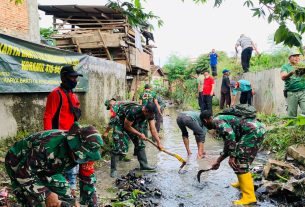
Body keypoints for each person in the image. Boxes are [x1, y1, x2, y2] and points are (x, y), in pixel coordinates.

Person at [5, 122, 104, 207]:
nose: (82, 159)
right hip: (18, 163)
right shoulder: (46, 146)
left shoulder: (88, 154)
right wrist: (47, 194)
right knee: (37, 202)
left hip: (48, 168)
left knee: (67, 196)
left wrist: (91, 204)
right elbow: (23, 175)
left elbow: (88, 179)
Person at [200, 109, 266, 205]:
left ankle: (249, 197)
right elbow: (228, 145)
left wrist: (232, 156)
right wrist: (218, 161)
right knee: (242, 161)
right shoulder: (220, 120)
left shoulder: (217, 122)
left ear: (205, 121)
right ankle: (242, 183)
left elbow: (231, 137)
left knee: (240, 162)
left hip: (252, 132)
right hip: (257, 130)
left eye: (203, 124)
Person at [43, 65, 85, 198]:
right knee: (59, 166)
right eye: (72, 77)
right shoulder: (56, 94)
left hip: (71, 136)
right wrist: (48, 137)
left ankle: (71, 191)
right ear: (64, 78)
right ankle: (60, 193)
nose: (75, 80)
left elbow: (74, 115)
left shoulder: (72, 94)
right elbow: (48, 116)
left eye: (76, 77)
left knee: (73, 164)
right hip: (58, 137)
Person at [109, 102, 163, 177]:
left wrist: (159, 143)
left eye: (152, 115)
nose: (151, 116)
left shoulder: (150, 114)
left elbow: (153, 129)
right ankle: (113, 169)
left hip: (132, 124)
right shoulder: (133, 111)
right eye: (149, 114)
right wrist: (139, 134)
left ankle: (144, 165)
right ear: (145, 110)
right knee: (119, 147)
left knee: (140, 144)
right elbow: (127, 126)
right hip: (120, 123)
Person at [280, 50, 305, 117]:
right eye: (294, 56)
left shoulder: (302, 65)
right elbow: (283, 77)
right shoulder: (285, 67)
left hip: (303, 92)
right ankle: (292, 127)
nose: (296, 58)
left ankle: (302, 126)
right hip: (291, 93)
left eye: (298, 56)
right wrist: (291, 73)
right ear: (289, 58)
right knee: (292, 114)